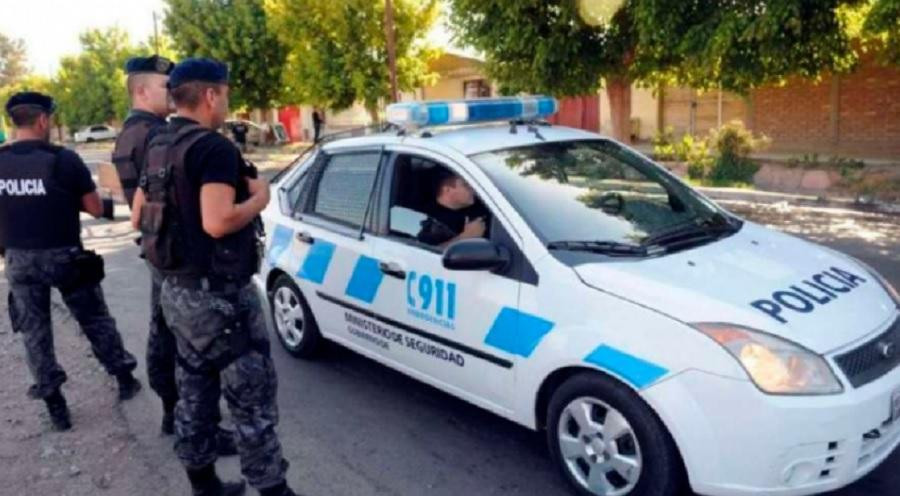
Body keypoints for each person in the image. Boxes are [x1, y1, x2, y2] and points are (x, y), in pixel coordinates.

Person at [131, 58, 297, 496]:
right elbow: (218, 221)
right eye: (225, 94)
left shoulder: (158, 143)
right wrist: (259, 198)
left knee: (195, 390)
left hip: (176, 294)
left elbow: (137, 215)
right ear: (210, 95)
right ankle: (273, 489)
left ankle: (203, 485)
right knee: (252, 402)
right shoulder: (213, 149)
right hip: (221, 299)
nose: (227, 102)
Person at [113, 55, 238, 454]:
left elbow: (137, 209)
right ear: (143, 90)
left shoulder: (130, 135)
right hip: (181, 257)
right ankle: (191, 422)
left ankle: (177, 414)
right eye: (164, 86)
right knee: (191, 348)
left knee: (168, 333)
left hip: (158, 249)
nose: (171, 94)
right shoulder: (157, 136)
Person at [0, 91, 141, 431]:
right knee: (94, 319)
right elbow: (95, 208)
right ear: (43, 120)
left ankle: (56, 408)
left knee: (35, 334)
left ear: (13, 122)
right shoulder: (64, 160)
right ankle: (123, 378)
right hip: (64, 256)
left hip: (18, 259)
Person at [416, 167, 489, 248]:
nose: (473, 188)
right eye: (466, 185)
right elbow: (427, 253)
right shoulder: (431, 221)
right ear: (447, 189)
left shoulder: (479, 205)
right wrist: (466, 237)